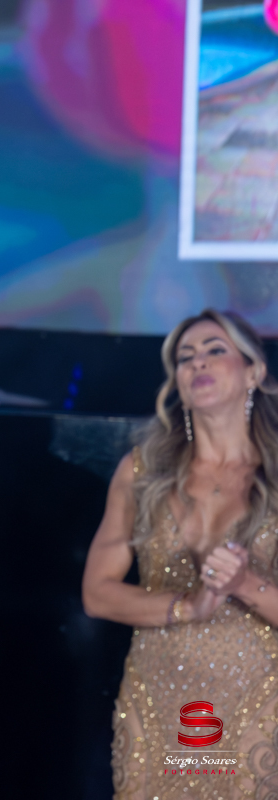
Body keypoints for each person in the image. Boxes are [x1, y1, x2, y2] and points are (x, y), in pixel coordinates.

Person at [83, 309, 278, 799]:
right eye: (186, 357)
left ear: (254, 372)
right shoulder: (142, 471)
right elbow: (96, 594)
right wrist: (189, 606)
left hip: (258, 699)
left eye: (215, 350)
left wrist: (242, 584)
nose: (198, 363)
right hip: (158, 697)